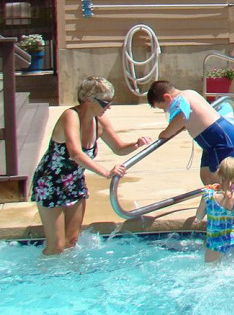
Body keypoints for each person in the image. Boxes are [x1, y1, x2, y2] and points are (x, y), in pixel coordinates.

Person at [31, 76, 151, 255]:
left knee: (71, 241)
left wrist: (136, 144)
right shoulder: (70, 116)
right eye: (105, 102)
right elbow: (75, 153)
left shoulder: (99, 120)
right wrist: (105, 172)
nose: (108, 107)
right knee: (56, 245)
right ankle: (44, 277)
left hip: (74, 183)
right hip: (49, 183)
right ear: (88, 99)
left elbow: (118, 147)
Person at [147, 80, 234, 185]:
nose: (166, 111)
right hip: (212, 142)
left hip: (222, 138)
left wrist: (165, 133)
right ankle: (215, 199)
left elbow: (182, 117)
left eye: (163, 108)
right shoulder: (189, 93)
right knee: (205, 176)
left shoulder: (181, 99)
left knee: (222, 180)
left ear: (167, 97)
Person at [195, 156, 234, 262]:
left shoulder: (207, 194)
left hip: (212, 245)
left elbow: (198, 216)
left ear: (219, 173)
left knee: (211, 272)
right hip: (230, 243)